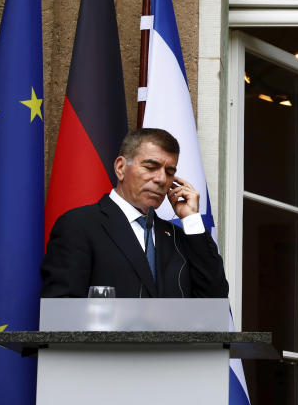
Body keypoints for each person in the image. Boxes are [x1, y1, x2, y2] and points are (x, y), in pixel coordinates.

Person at [41, 128, 229, 299]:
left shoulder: (178, 238)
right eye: (150, 167)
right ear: (121, 168)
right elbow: (62, 308)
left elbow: (214, 298)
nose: (162, 179)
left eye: (170, 172)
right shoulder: (79, 225)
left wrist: (191, 219)